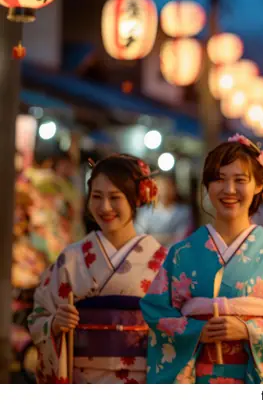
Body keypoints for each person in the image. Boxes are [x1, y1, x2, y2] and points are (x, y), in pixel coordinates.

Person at [141, 134, 263, 384]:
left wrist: (248, 331)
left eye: (240, 180)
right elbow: (155, 310)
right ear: (207, 186)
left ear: (258, 184)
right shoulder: (182, 253)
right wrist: (195, 332)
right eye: (219, 180)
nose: (229, 190)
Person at [28, 154, 168, 383]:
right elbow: (37, 318)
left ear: (136, 199)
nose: (105, 207)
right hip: (82, 379)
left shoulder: (161, 261)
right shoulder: (70, 259)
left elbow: (178, 329)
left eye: (115, 197)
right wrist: (54, 323)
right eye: (96, 197)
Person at [135, 175, 194, 248]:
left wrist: (153, 237)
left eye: (168, 187)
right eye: (161, 188)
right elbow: (139, 235)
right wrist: (168, 237)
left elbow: (182, 236)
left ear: (174, 189)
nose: (165, 191)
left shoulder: (184, 211)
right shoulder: (145, 212)